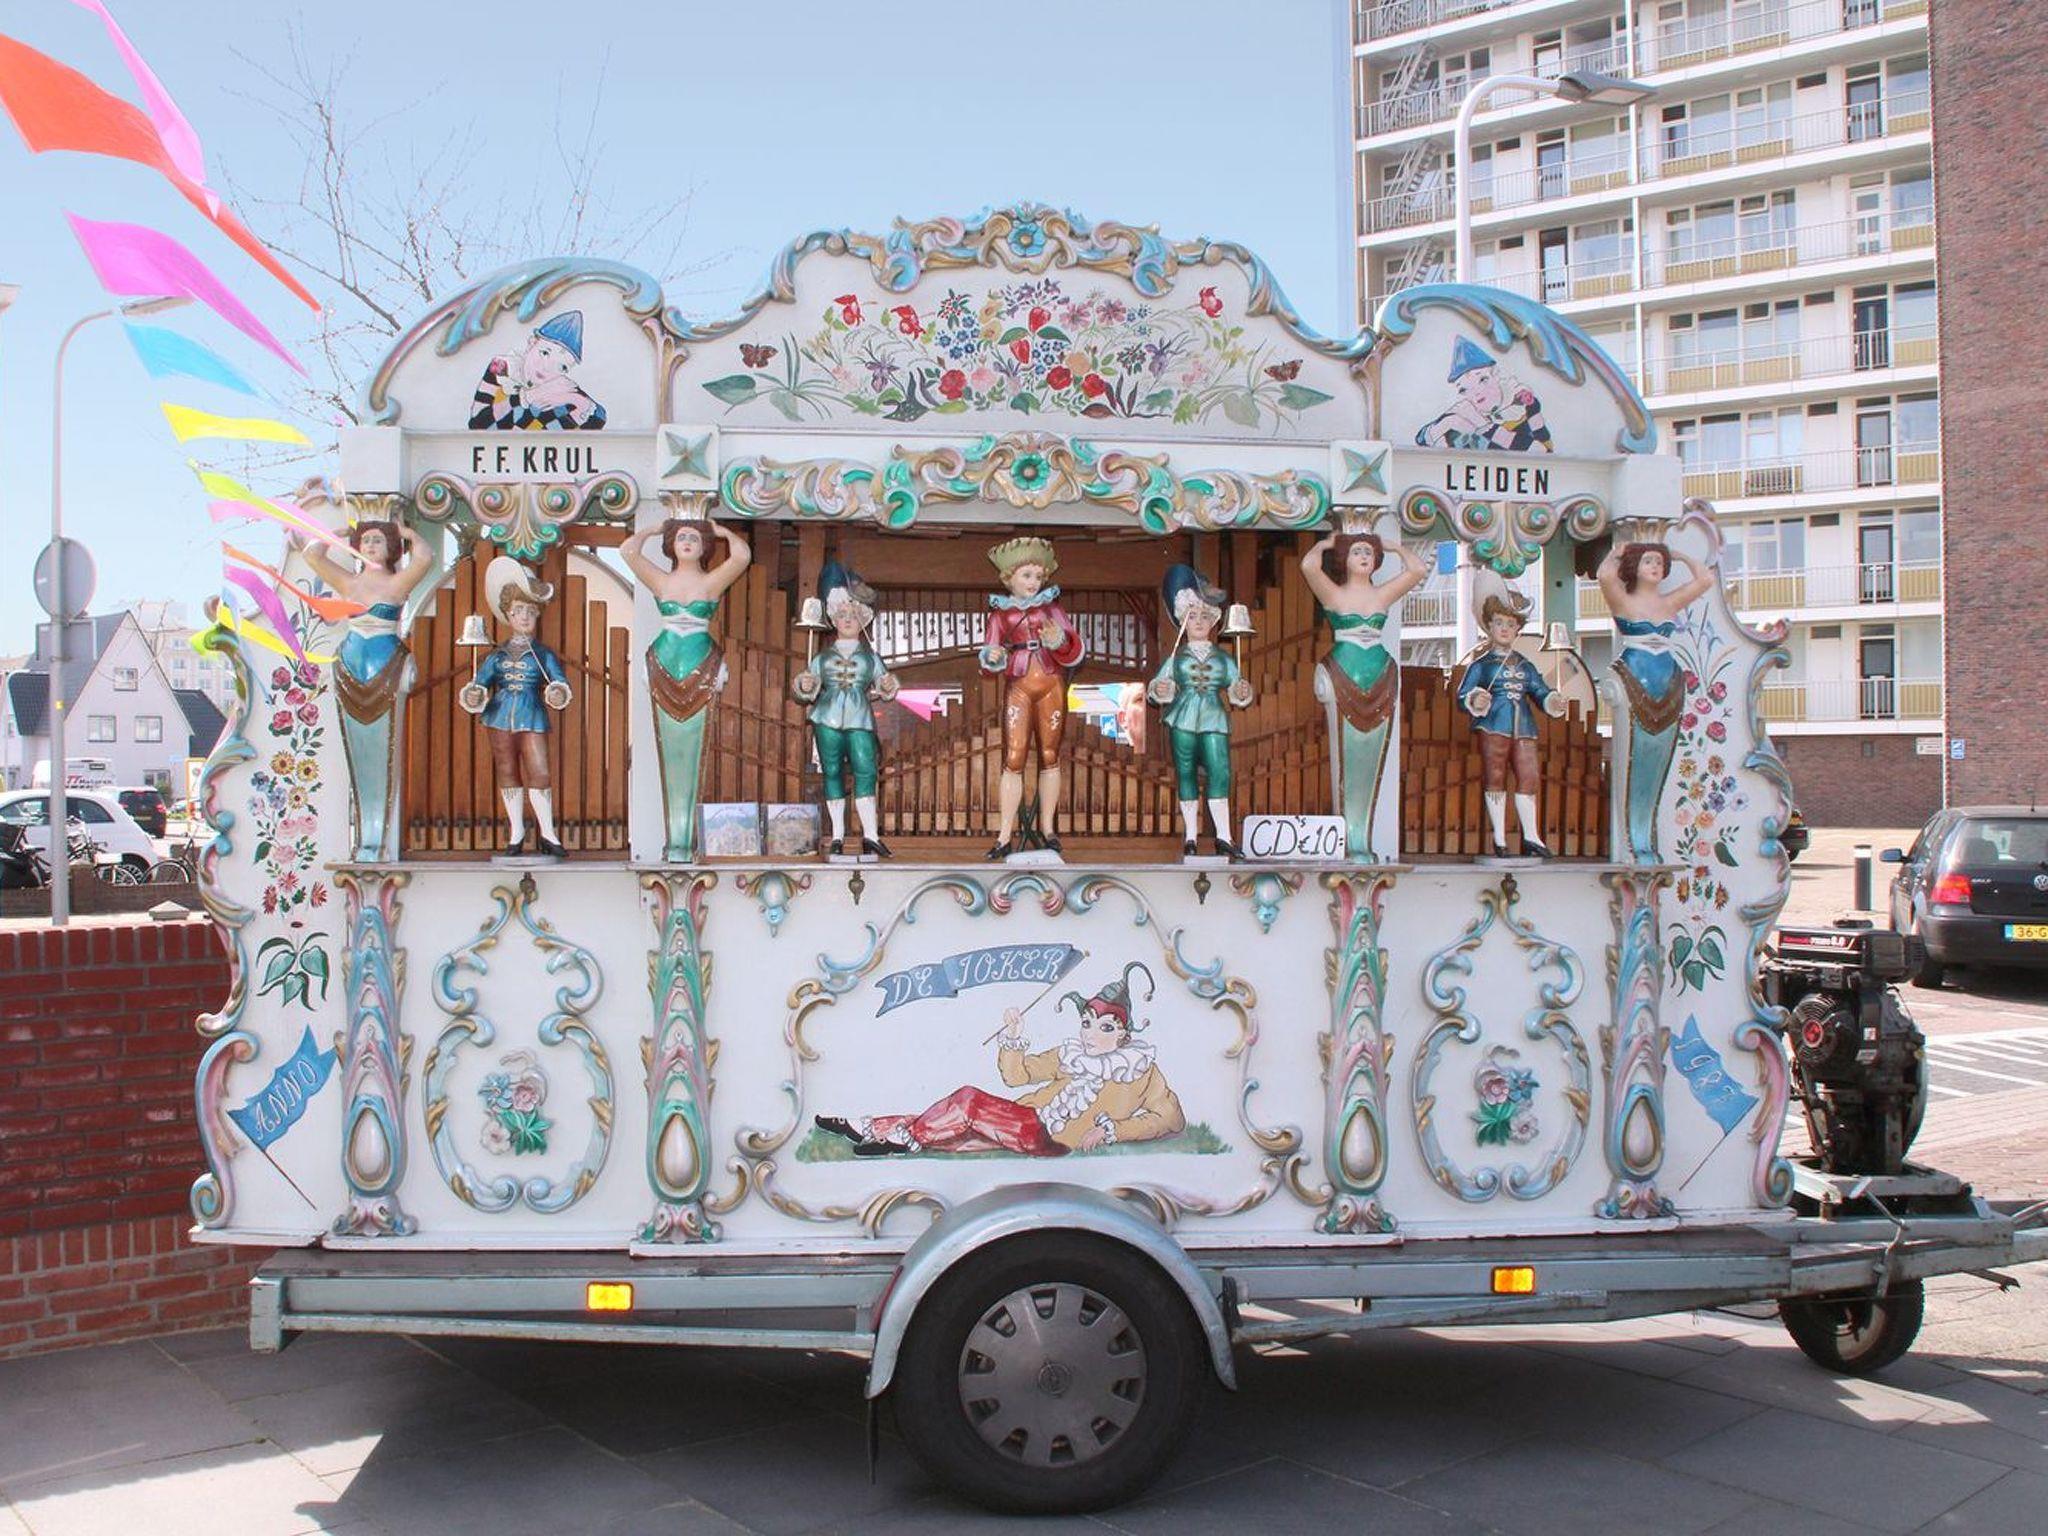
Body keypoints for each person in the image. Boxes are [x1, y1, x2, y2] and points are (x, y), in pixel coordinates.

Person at [812, 964, 1183, 1157]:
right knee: (953, 1131)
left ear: (1123, 1033)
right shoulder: (1071, 1055)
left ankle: (904, 1138)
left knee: (968, 1101)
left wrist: (1113, 1130)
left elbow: (1171, 1119)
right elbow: (1017, 1076)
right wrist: (1014, 1036)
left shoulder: (1140, 1069)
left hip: (1046, 1137)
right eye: (1086, 1023)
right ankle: (865, 1128)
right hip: (1025, 1119)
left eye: (1104, 1027)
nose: (1090, 1034)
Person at [295, 520, 438, 860]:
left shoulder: (398, 582)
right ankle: (365, 834)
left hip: (386, 663)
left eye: (378, 540)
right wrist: (338, 535)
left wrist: (408, 534)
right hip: (351, 664)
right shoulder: (349, 582)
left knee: (384, 746)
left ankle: (377, 835)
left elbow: (425, 557)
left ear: (391, 548)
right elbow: (312, 555)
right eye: (366, 540)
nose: (371, 545)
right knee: (356, 747)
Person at [623, 515, 752, 861]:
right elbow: (628, 551)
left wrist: (721, 531)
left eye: (694, 537)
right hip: (664, 663)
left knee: (694, 748)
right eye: (681, 536)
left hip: (701, 663)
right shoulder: (661, 580)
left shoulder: (711, 581)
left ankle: (684, 840)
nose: (688, 542)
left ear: (704, 546)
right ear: (671, 544)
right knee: (671, 749)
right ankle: (674, 841)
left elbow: (741, 556)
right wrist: (653, 528)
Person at [1299, 530, 1430, 861]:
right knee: (1346, 752)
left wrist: (1396, 546)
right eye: (1357, 551)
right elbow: (1309, 566)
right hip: (1343, 673)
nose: (1363, 556)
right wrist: (1325, 544)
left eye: (1369, 552)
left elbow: (1418, 570)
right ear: (1345, 559)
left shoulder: (1383, 594)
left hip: (1379, 674)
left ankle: (1361, 836)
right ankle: (1349, 836)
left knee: (1372, 753)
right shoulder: (1334, 594)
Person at [1597, 539, 1716, 860]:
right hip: (1634, 677)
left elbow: (1705, 579)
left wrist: (1681, 554)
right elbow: (1605, 575)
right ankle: (1633, 838)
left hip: (1668, 680)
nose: (1656, 567)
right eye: (1649, 560)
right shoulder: (1623, 599)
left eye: (1660, 563)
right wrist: (1617, 552)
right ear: (1634, 566)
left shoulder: (1669, 602)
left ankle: (1646, 833)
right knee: (1634, 753)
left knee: (1660, 755)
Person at [979, 537, 1086, 860]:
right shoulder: (1000, 615)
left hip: (1051, 682)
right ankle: (1004, 835)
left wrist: (1059, 641)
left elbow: (1075, 649)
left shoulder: (1052, 608)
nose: (1033, 582)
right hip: (1019, 684)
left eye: (1038, 576)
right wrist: (993, 656)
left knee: (1050, 755)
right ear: (1009, 577)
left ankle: (1048, 828)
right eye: (1026, 575)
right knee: (1014, 757)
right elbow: (989, 656)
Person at [459, 559, 573, 857]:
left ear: (537, 614)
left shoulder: (543, 654)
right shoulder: (496, 655)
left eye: (530, 611)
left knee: (540, 772)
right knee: (507, 771)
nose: (524, 616)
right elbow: (480, 683)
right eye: (519, 610)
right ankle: (516, 832)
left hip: (532, 715)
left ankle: (548, 833)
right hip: (499, 717)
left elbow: (559, 681)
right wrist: (475, 694)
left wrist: (557, 692)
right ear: (508, 614)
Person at [792, 561, 899, 858]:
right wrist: (805, 684)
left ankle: (871, 835)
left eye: (853, 615)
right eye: (842, 615)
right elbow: (804, 691)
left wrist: (888, 683)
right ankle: (837, 835)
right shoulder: (821, 657)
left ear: (862, 620)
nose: (848, 619)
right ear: (834, 620)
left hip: (860, 718)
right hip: (826, 718)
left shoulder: (871, 657)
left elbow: (887, 686)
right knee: (832, 772)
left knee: (866, 770)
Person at [1147, 565, 1254, 859]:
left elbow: (1237, 689)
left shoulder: (1224, 658)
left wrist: (1241, 692)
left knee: (1220, 771)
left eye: (1204, 616)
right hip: (1182, 718)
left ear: (1213, 621)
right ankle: (1191, 837)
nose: (1198, 621)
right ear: (1183, 619)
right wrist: (1161, 689)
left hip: (1214, 718)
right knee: (1185, 773)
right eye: (1192, 616)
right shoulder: (1176, 657)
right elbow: (1157, 687)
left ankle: (1224, 836)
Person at [1459, 595, 1566, 859]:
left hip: (1524, 727)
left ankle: (1531, 836)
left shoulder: (1525, 665)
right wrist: (1475, 698)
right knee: (1495, 776)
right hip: (1494, 725)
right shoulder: (1480, 665)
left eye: (1510, 624)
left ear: (1517, 629)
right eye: (1499, 623)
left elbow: (1539, 691)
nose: (1505, 629)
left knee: (1529, 777)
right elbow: (1462, 695)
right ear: (1489, 627)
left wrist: (1552, 700)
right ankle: (1499, 837)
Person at [469, 310, 606, 430]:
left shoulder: (561, 387)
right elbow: (478, 425)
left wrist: (574, 399)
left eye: (562, 367)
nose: (546, 368)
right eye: (544, 353)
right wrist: (525, 398)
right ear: (532, 343)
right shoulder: (503, 368)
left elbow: (598, 421)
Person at [1415, 337, 1553, 453]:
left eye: (1482, 380)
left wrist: (1483, 425)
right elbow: (1422, 439)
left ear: (1496, 375)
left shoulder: (1523, 403)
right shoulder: (1467, 411)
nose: (1476, 392)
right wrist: (1448, 423)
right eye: (1463, 390)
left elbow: (1542, 451)